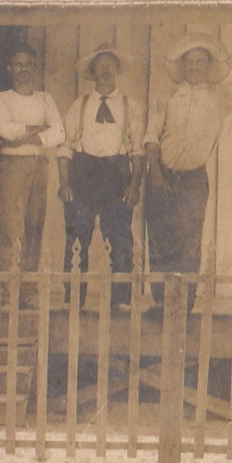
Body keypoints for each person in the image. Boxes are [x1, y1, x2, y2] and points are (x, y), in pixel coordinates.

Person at [143, 35, 232, 309]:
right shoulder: (166, 96)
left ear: (208, 66)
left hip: (192, 179)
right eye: (189, 62)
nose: (194, 67)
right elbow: (151, 136)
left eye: (200, 61)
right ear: (182, 66)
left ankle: (184, 303)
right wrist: (155, 174)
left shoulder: (219, 97)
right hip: (160, 173)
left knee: (190, 240)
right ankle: (160, 302)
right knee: (160, 237)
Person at [58, 43, 145, 303]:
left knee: (120, 239)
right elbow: (64, 149)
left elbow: (138, 152)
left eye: (110, 66)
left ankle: (121, 302)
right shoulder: (79, 105)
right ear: (93, 72)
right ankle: (73, 300)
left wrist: (133, 185)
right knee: (77, 239)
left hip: (117, 176)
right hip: (83, 173)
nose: (106, 71)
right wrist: (65, 184)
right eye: (100, 66)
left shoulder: (131, 106)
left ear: (117, 70)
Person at [0, 45, 65, 273]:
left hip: (39, 167)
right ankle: (6, 290)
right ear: (10, 68)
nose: (24, 69)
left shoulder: (45, 99)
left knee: (34, 228)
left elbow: (59, 132)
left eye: (29, 64)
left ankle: (28, 291)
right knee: (12, 229)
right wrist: (40, 129)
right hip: (12, 167)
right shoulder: (1, 98)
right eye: (19, 64)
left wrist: (27, 138)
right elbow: (5, 131)